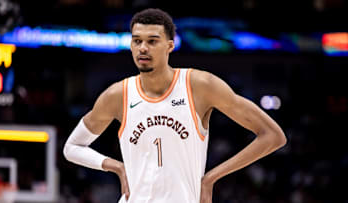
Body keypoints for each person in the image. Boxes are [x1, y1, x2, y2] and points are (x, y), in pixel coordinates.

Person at [63, 8, 287, 203]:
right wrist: (115, 166)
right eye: (137, 40)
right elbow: (72, 147)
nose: (143, 48)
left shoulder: (200, 85)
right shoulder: (117, 95)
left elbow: (272, 135)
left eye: (152, 41)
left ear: (170, 46)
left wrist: (211, 178)